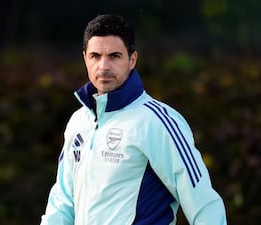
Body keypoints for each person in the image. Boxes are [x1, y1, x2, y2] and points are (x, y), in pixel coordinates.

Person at [40, 14, 227, 225]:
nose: (103, 66)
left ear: (132, 60)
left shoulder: (157, 122)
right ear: (85, 58)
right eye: (95, 56)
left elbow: (204, 204)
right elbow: (62, 203)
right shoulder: (78, 122)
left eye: (114, 56)